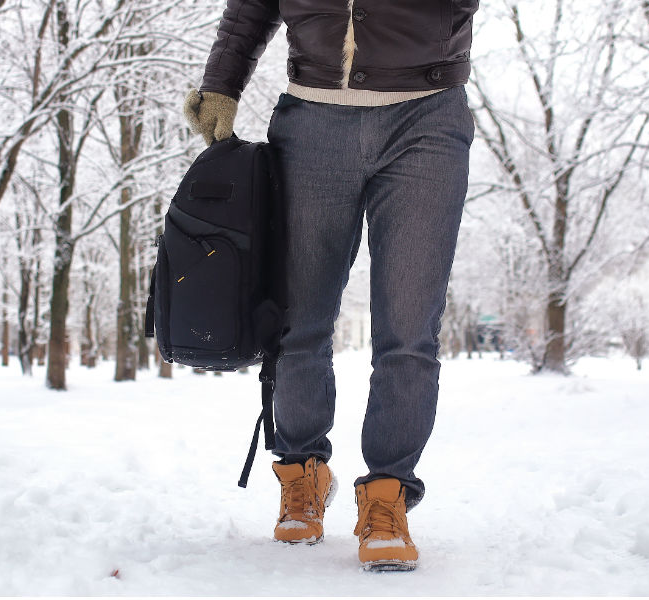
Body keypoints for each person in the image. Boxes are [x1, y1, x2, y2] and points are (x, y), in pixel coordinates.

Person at [184, 0, 478, 572]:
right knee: (298, 320)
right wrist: (222, 83)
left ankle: (388, 495)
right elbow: (250, 8)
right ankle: (302, 474)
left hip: (427, 118)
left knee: (409, 328)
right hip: (311, 123)